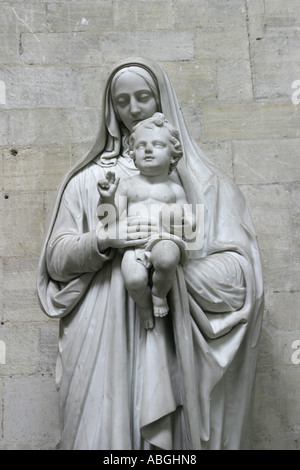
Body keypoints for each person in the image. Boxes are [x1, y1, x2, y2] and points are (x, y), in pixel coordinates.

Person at [37, 57, 264, 450]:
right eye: (121, 100)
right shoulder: (90, 180)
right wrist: (105, 239)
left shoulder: (204, 183)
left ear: (163, 100)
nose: (133, 109)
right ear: (110, 109)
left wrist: (172, 266)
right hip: (101, 346)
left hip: (172, 337)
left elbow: (241, 279)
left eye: (143, 96)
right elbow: (56, 262)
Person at [97, 113, 191, 329]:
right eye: (141, 146)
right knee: (133, 280)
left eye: (157, 144)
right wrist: (106, 197)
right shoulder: (127, 186)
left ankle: (159, 294)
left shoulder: (174, 189)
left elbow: (191, 220)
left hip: (163, 238)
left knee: (167, 259)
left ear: (173, 155)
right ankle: (143, 306)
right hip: (133, 245)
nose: (148, 150)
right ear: (133, 154)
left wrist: (186, 221)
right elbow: (109, 220)